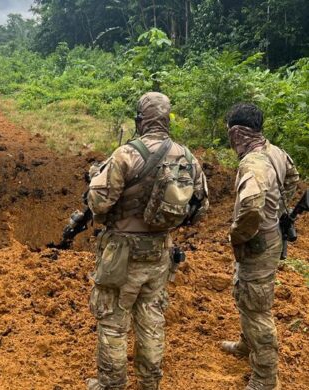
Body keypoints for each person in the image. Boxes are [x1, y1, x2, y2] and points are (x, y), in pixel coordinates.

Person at [86, 92, 209, 390]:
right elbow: (200, 207)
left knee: (114, 319)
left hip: (121, 255)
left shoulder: (126, 155)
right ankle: (150, 382)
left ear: (141, 121)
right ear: (166, 121)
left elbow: (99, 203)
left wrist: (93, 181)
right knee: (152, 317)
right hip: (160, 253)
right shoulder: (187, 157)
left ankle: (112, 383)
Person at [221, 103, 299, 390]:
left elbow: (251, 207)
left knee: (257, 308)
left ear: (238, 134)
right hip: (271, 236)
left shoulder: (252, 164)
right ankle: (246, 343)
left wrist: (237, 234)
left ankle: (265, 380)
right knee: (247, 293)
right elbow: (292, 178)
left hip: (257, 243)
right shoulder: (275, 151)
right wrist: (276, 209)